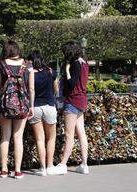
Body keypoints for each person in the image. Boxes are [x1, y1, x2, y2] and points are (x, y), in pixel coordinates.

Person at [0, 40, 35, 179]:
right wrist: (31, 105)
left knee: (5, 136)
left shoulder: (1, 64)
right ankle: (18, 170)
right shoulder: (28, 65)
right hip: (22, 104)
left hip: (5, 105)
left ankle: (4, 170)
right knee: (18, 137)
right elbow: (31, 88)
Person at [50, 41, 89, 175]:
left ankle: (63, 164)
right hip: (82, 99)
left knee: (69, 134)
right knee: (81, 133)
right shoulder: (84, 62)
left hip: (72, 100)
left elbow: (71, 83)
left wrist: (66, 71)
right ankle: (84, 164)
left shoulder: (74, 64)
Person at [27, 50, 58, 176]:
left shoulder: (30, 73)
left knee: (40, 139)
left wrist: (31, 106)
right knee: (51, 138)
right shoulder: (51, 71)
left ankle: (43, 168)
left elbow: (31, 90)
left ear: (32, 61)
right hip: (50, 106)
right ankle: (50, 166)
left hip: (36, 107)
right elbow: (56, 89)